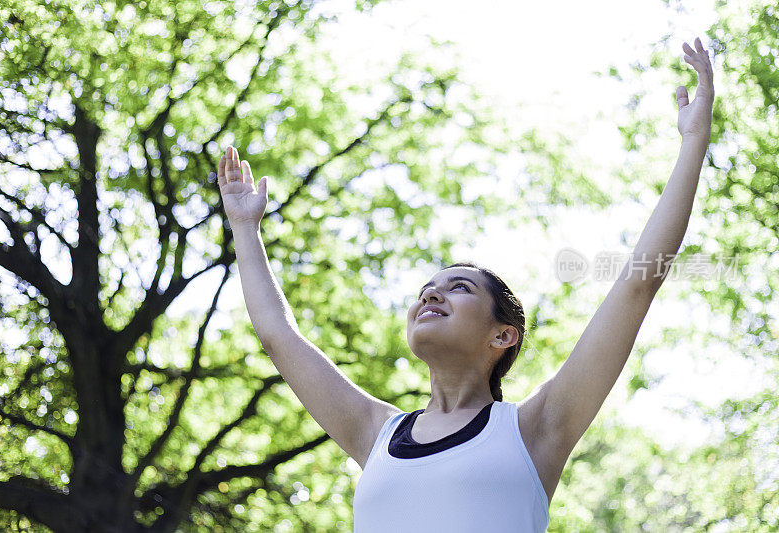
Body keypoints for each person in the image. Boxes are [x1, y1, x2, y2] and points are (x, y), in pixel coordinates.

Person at [215, 37, 714, 532]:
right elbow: (279, 337)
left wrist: (694, 143)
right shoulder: (375, 434)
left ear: (503, 335)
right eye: (426, 290)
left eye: (459, 288)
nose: (430, 294)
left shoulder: (536, 429)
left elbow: (636, 285)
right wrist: (244, 229)